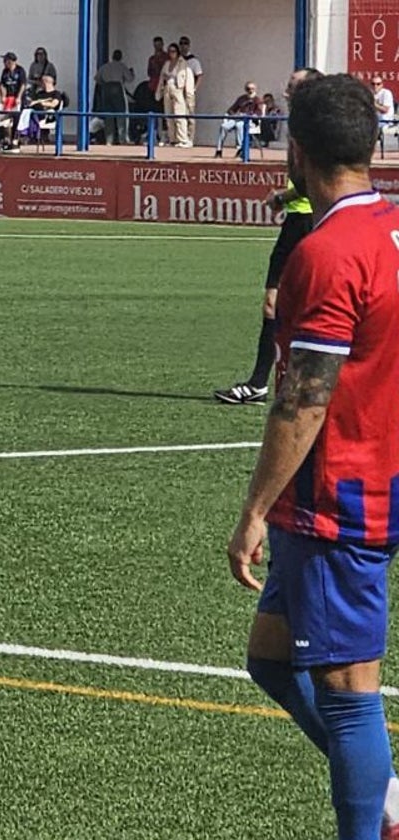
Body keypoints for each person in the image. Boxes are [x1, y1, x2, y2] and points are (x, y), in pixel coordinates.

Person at [227, 71, 399, 840]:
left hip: (340, 497)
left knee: (346, 688)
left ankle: (378, 820)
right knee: (269, 658)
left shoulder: (327, 254)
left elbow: (302, 402)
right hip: (376, 477)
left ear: (295, 153)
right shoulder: (393, 229)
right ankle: (390, 800)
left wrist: (254, 509)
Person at [215, 68, 322, 406]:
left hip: (310, 222)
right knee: (272, 304)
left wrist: (280, 198)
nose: (286, 90)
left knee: (315, 307)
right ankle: (259, 382)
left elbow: (309, 182)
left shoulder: (317, 129)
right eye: (288, 85)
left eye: (294, 86)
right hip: (295, 223)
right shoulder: (300, 126)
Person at [154, 43, 193, 147]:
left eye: (174, 51)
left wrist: (189, 94)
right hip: (167, 88)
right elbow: (161, 78)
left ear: (177, 52)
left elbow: (187, 78)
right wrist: (159, 92)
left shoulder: (183, 63)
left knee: (179, 114)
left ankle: (182, 139)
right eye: (170, 51)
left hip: (178, 89)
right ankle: (173, 139)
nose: (172, 53)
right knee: (168, 115)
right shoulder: (167, 64)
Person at [214, 81, 264, 157]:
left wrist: (249, 115)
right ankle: (219, 150)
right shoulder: (241, 98)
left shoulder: (258, 100)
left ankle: (240, 149)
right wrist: (231, 115)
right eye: (248, 89)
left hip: (250, 122)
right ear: (245, 89)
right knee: (224, 126)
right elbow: (231, 110)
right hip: (238, 118)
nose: (250, 91)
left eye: (252, 89)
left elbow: (259, 114)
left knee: (239, 125)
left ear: (255, 89)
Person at [95, 50, 134, 144]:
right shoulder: (121, 66)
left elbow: (97, 78)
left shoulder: (105, 66)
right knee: (122, 114)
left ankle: (109, 140)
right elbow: (130, 79)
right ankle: (123, 139)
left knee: (108, 115)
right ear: (120, 57)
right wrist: (132, 72)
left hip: (106, 89)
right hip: (117, 88)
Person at [179, 36, 203, 142]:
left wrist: (194, 89)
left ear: (189, 45)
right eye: (181, 43)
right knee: (178, 115)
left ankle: (190, 138)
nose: (183, 46)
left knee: (190, 115)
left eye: (185, 43)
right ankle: (180, 137)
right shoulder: (177, 60)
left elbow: (200, 75)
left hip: (188, 92)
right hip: (178, 91)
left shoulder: (194, 61)